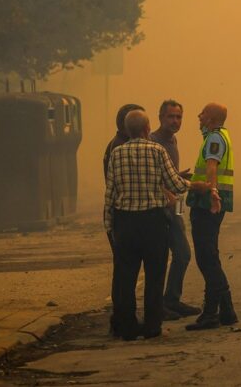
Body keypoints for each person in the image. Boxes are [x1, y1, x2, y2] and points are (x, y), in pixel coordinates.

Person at [104, 109, 190, 341]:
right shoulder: (157, 150)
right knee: (154, 276)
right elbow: (176, 184)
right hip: (153, 222)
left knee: (126, 277)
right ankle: (152, 325)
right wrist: (195, 184)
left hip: (125, 222)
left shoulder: (117, 153)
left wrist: (110, 226)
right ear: (146, 129)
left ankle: (127, 327)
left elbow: (110, 193)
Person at [184, 102, 238, 331]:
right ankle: (226, 311)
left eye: (203, 113)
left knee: (206, 258)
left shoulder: (215, 138)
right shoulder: (220, 136)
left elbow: (212, 167)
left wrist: (212, 193)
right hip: (212, 201)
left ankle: (211, 314)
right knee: (210, 255)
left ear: (213, 119)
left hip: (208, 203)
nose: (199, 116)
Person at [149, 99, 201, 319]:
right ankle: (163, 303)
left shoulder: (173, 140)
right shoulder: (153, 142)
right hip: (160, 207)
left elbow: (168, 176)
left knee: (182, 253)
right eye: (170, 116)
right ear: (160, 117)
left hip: (176, 204)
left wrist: (179, 177)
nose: (175, 121)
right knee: (178, 253)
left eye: (179, 117)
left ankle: (171, 300)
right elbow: (150, 178)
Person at [102, 102, 144, 337]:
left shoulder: (117, 145)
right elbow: (118, 187)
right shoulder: (120, 147)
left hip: (117, 214)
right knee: (125, 271)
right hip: (122, 215)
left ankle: (120, 319)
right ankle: (123, 319)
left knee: (122, 269)